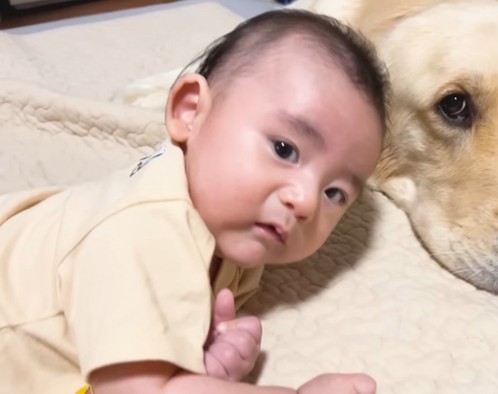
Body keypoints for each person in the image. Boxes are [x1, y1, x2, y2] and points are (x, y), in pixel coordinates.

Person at [0, 9, 389, 394]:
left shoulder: (235, 238)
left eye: (334, 192)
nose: (305, 202)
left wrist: (200, 359)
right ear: (190, 111)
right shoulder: (144, 230)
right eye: (285, 149)